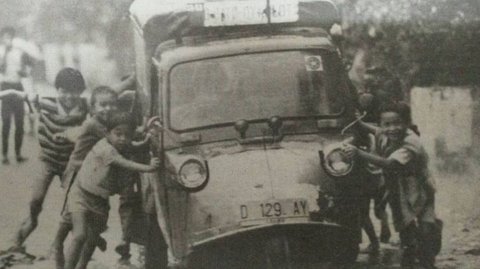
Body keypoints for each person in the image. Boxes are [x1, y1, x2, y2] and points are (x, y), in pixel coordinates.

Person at [343, 102, 438, 269]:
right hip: (398, 187)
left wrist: (359, 153)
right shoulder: (385, 133)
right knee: (404, 226)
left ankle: (427, 262)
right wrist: (357, 120)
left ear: (407, 123)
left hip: (419, 186)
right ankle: (409, 256)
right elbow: (374, 130)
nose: (392, 128)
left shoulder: (411, 142)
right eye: (387, 124)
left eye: (397, 123)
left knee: (426, 228)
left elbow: (389, 164)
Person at [63, 112, 160, 269]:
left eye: (127, 135)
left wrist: (146, 140)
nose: (122, 138)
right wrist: (148, 167)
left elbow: (132, 145)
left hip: (100, 202)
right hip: (80, 195)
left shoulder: (119, 144)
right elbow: (123, 162)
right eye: (118, 134)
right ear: (107, 133)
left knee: (92, 239)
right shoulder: (105, 148)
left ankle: (81, 267)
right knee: (79, 235)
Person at [10, 67, 89, 252]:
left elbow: (109, 96)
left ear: (81, 92)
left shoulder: (85, 106)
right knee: (35, 200)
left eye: (74, 91)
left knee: (73, 204)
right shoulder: (45, 103)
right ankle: (25, 231)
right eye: (64, 91)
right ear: (57, 90)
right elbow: (14, 93)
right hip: (48, 159)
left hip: (70, 163)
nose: (69, 96)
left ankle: (65, 245)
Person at [0, 26, 33, 163]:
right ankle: (4, 155)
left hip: (17, 86)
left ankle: (18, 154)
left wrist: (24, 72)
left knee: (19, 122)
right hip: (5, 86)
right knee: (6, 121)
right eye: (5, 36)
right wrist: (5, 55)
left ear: (12, 38)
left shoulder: (19, 52)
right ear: (2, 38)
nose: (8, 39)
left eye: (10, 36)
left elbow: (29, 67)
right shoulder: (0, 51)